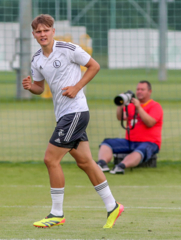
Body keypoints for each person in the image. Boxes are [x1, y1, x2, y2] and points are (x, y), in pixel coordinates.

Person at [22, 14, 123, 229]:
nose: (42, 34)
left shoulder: (68, 49)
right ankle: (112, 206)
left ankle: (56, 213)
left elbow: (94, 66)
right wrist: (31, 87)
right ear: (34, 35)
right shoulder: (37, 59)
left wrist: (77, 87)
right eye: (38, 32)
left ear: (53, 31)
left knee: (50, 160)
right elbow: (40, 88)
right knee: (85, 162)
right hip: (64, 115)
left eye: (46, 30)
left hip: (75, 112)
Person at [97, 80, 163, 174]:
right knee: (107, 143)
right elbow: (120, 117)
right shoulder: (131, 105)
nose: (139, 91)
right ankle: (102, 164)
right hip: (130, 141)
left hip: (150, 143)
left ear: (149, 91)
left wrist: (139, 107)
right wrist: (120, 105)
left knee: (141, 150)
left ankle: (121, 166)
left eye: (142, 89)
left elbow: (150, 123)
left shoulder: (155, 106)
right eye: (138, 89)